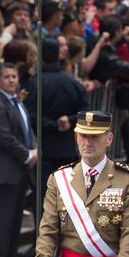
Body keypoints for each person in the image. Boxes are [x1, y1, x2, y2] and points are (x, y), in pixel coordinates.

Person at [29, 109, 129, 257]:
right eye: (83, 136)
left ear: (108, 139)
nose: (88, 142)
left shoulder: (128, 179)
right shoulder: (59, 180)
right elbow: (48, 232)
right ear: (76, 137)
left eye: (94, 137)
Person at [0, 64, 38, 257]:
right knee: (4, 221)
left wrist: (34, 150)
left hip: (21, 170)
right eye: (6, 77)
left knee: (15, 221)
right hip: (5, 170)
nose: (11, 80)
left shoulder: (17, 103)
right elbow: (4, 137)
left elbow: (27, 131)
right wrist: (26, 155)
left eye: (14, 76)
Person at [34, 37, 88, 172]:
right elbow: (85, 111)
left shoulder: (34, 83)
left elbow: (30, 116)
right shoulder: (72, 83)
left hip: (42, 150)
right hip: (66, 150)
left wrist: (59, 123)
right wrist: (69, 120)